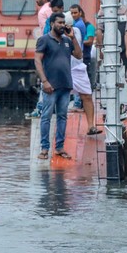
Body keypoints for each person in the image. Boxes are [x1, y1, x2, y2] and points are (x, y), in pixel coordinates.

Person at [35, 11, 82, 160]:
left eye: (64, 23)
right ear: (52, 23)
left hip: (65, 85)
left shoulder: (67, 41)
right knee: (46, 117)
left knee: (62, 117)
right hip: (50, 86)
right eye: (59, 23)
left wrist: (73, 37)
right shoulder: (44, 40)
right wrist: (44, 81)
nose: (62, 25)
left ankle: (59, 147)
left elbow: (79, 55)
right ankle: (44, 148)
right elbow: (37, 61)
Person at [68, 20, 101, 136]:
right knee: (60, 98)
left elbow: (78, 52)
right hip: (63, 68)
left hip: (77, 68)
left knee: (87, 95)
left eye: (67, 24)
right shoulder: (53, 34)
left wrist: (70, 36)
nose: (64, 27)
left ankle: (91, 126)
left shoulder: (76, 30)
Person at [69, 4, 87, 110]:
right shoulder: (77, 23)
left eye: (75, 12)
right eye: (71, 13)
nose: (73, 15)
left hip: (77, 55)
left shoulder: (78, 25)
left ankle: (77, 103)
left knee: (76, 78)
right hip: (79, 54)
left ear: (80, 13)